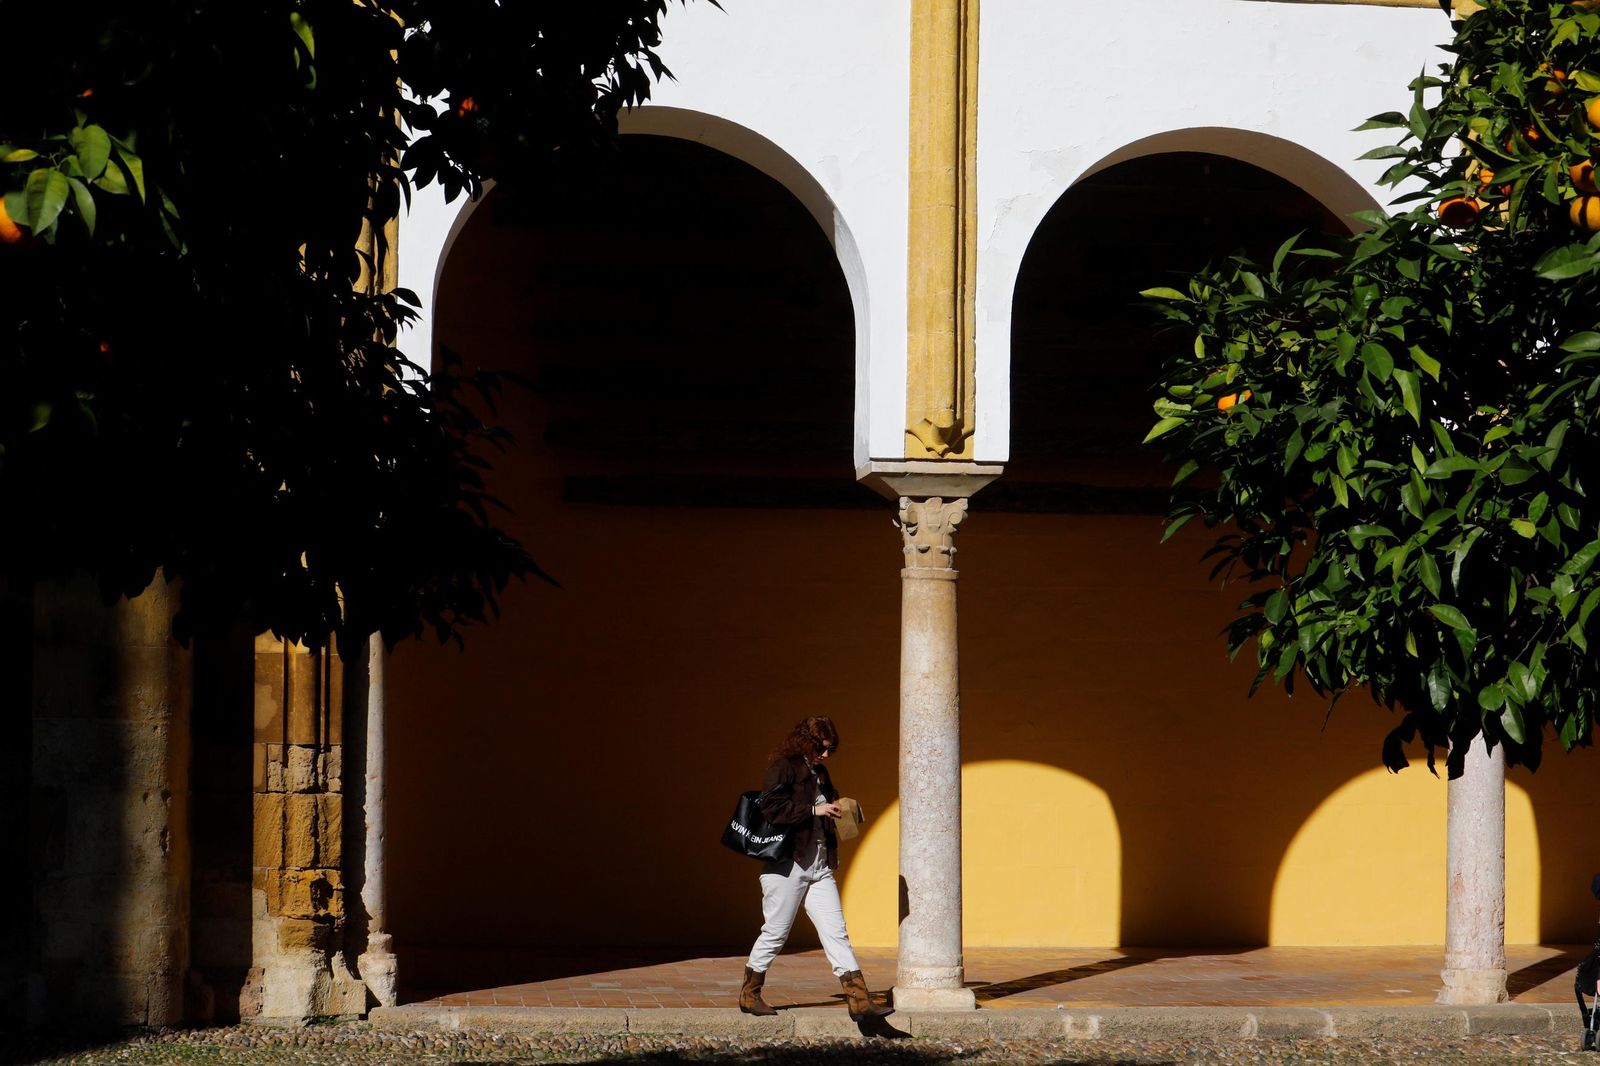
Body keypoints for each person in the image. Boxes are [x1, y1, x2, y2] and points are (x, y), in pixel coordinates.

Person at [738, 715, 892, 1021]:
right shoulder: (784, 767)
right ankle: (749, 994)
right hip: (788, 866)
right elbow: (771, 808)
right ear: (804, 742)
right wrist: (814, 809)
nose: (825, 754)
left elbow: (824, 807)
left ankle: (859, 1001)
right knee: (775, 932)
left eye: (830, 749)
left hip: (820, 866)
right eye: (820, 748)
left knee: (837, 933)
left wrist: (839, 809)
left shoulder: (820, 772)